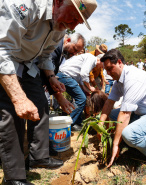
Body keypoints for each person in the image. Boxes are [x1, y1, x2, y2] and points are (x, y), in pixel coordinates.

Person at [0, 0, 97, 185]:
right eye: (73, 16)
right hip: (6, 62)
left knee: (41, 104)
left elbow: (44, 55)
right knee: (12, 113)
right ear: (58, 1)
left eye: (79, 22)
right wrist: (19, 98)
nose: (72, 25)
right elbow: (1, 50)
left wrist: (52, 77)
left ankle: (38, 156)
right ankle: (14, 177)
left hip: (28, 65)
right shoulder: (24, 6)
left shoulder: (60, 27)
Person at [99, 49, 146, 168]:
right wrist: (100, 124)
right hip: (142, 113)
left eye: (109, 68)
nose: (108, 73)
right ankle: (131, 143)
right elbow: (109, 102)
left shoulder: (133, 78)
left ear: (119, 62)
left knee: (129, 134)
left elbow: (125, 113)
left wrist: (115, 145)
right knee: (112, 114)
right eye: (105, 70)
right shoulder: (119, 81)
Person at [56, 53, 103, 131]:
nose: (101, 68)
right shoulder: (91, 58)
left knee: (82, 97)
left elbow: (79, 77)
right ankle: (70, 123)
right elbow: (84, 74)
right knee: (81, 99)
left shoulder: (89, 59)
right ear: (101, 60)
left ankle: (78, 121)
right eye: (103, 65)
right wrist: (90, 87)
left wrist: (84, 89)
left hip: (66, 75)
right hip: (65, 75)